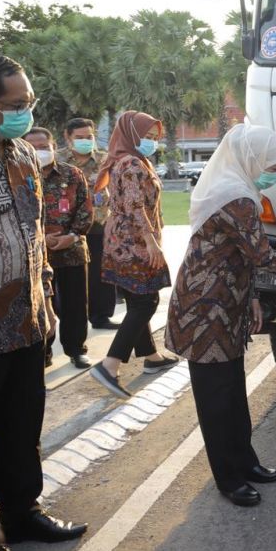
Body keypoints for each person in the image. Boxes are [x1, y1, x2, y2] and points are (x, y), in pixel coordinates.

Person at [165, 124, 276, 507]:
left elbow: (242, 255)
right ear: (251, 159)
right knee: (216, 399)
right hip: (205, 309)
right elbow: (263, 256)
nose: (274, 174)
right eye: (272, 166)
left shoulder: (237, 188)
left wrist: (252, 298)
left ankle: (245, 462)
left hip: (226, 302)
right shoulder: (235, 198)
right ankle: (228, 478)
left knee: (232, 391)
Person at [0, 53, 87, 551]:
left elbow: (34, 233)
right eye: (16, 104)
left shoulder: (21, 153)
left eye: (30, 102)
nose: (26, 112)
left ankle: (23, 514)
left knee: (21, 428)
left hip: (26, 320)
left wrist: (46, 300)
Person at [89, 111, 177, 399]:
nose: (151, 142)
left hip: (121, 240)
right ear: (131, 135)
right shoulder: (131, 163)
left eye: (154, 137)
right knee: (146, 302)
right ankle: (109, 365)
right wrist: (151, 242)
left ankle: (151, 357)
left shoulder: (126, 159)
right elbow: (135, 205)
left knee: (136, 299)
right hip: (134, 242)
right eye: (146, 136)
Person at [25, 127, 94, 369]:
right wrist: (41, 239)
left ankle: (76, 349)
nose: (40, 151)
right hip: (35, 254)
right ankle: (43, 352)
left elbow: (86, 208)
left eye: (44, 146)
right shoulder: (19, 175)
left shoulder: (72, 174)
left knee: (76, 304)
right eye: (33, 147)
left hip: (72, 250)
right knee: (39, 306)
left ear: (54, 147)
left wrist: (72, 236)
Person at [58, 117, 119, 329]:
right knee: (71, 276)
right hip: (66, 227)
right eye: (79, 137)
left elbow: (117, 189)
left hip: (99, 224)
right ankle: (71, 318)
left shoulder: (105, 160)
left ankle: (101, 316)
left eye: (89, 136)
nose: (85, 141)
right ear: (68, 137)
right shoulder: (57, 160)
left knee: (101, 272)